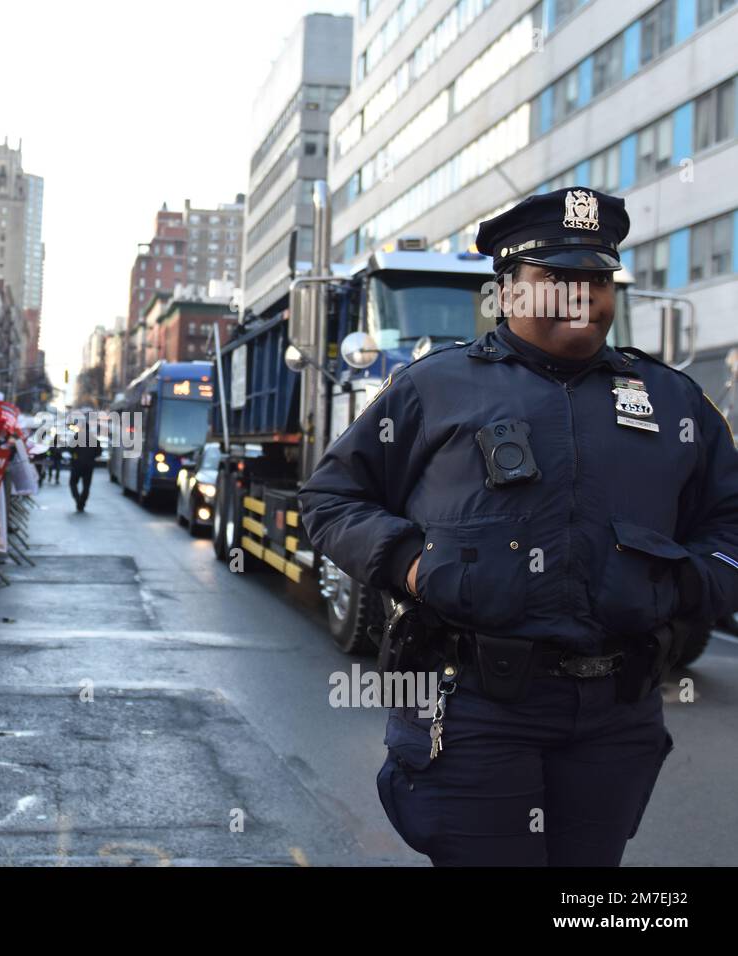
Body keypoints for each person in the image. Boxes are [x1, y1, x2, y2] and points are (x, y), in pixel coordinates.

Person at [298, 187, 738, 866]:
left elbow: (729, 523)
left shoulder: (671, 400)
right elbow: (332, 500)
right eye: (558, 279)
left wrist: (691, 586)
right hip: (475, 707)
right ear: (507, 292)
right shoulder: (433, 388)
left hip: (618, 713)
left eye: (597, 280)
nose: (583, 298)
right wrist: (412, 564)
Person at [69, 440, 96, 512]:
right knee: (86, 485)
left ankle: (78, 500)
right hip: (89, 465)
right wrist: (91, 457)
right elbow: (98, 451)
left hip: (76, 464)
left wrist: (76, 456)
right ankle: (82, 501)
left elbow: (70, 449)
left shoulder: (76, 438)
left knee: (73, 483)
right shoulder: (93, 439)